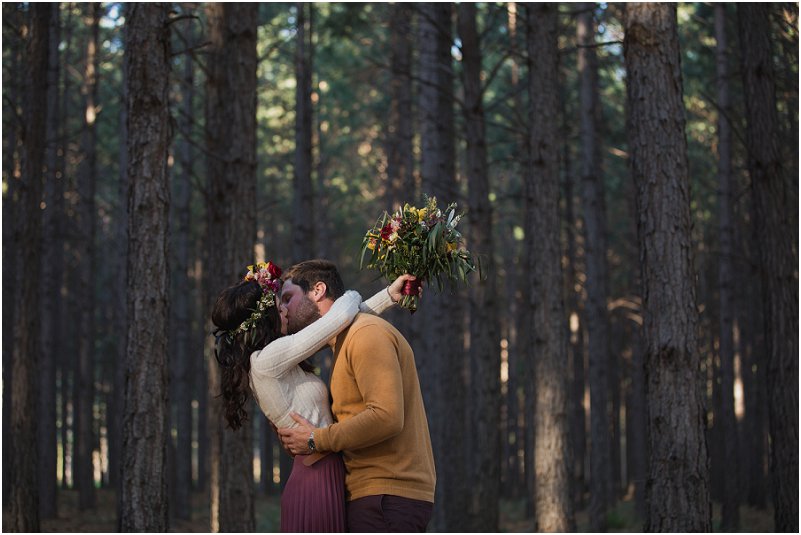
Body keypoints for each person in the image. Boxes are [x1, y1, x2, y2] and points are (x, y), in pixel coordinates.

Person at [211, 260, 416, 532]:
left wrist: (389, 296)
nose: (285, 309)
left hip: (324, 471)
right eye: (279, 305)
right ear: (263, 318)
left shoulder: (274, 359)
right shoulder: (267, 360)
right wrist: (350, 295)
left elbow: (337, 326)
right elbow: (340, 317)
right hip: (317, 475)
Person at [277, 259, 436, 532]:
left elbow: (386, 416)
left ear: (317, 290)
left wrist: (316, 440)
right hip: (375, 495)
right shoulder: (347, 337)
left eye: (288, 298)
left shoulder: (365, 334)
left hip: (387, 497)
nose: (283, 308)